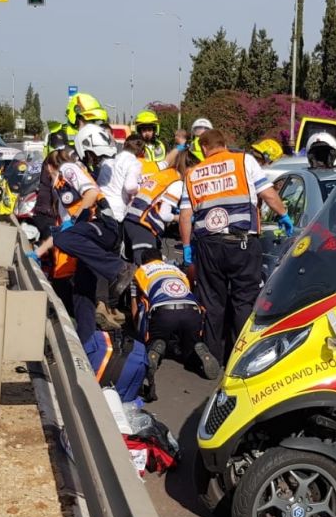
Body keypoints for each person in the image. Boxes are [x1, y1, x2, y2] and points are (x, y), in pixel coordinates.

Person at [179, 129, 293, 362]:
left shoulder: (193, 173)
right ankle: (240, 358)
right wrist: (283, 214)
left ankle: (212, 356)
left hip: (208, 245)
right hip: (242, 242)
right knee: (243, 300)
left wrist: (187, 247)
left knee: (212, 302)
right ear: (224, 144)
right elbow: (268, 194)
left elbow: (185, 215)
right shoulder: (244, 161)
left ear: (204, 148)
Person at [51, 125, 136, 342]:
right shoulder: (79, 169)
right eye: (94, 155)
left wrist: (73, 221)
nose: (97, 160)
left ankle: (119, 268)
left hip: (101, 225)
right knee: (83, 293)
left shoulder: (69, 168)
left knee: (63, 237)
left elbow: (91, 193)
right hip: (96, 229)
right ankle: (87, 344)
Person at [131, 248, 221, 380]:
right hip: (191, 311)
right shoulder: (175, 269)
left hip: (163, 312)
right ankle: (196, 351)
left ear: (143, 262)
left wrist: (138, 331)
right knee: (187, 351)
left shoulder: (140, 272)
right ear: (161, 260)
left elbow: (135, 305)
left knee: (152, 330)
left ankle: (155, 348)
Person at [123, 150, 194, 264]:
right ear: (189, 168)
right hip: (144, 226)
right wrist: (180, 217)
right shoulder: (177, 183)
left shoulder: (164, 174)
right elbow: (164, 214)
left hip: (130, 220)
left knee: (133, 267)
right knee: (149, 267)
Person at [98, 136, 144, 221]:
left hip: (100, 204)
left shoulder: (107, 161)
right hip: (116, 210)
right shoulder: (134, 163)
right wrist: (141, 187)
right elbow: (130, 187)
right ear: (142, 152)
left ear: (123, 145)